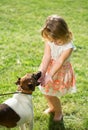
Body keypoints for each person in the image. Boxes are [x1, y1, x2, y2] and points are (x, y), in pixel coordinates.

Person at [38, 14, 76, 121]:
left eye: (57, 40)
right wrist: (43, 72)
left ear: (65, 34)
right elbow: (46, 56)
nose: (54, 42)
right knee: (45, 91)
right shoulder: (49, 40)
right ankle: (52, 107)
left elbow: (59, 61)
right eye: (52, 40)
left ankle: (58, 111)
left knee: (52, 94)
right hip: (49, 68)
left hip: (59, 71)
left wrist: (50, 75)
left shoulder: (68, 47)